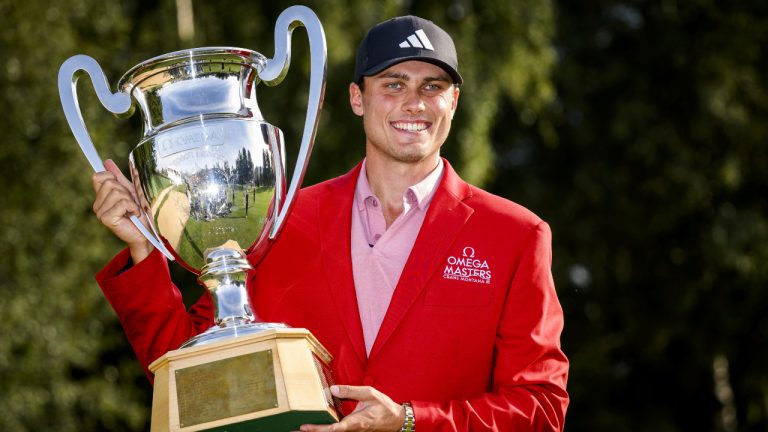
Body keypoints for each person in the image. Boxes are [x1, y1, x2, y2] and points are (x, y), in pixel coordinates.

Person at [92, 15, 569, 432]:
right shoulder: (279, 222)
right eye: (394, 84)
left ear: (454, 102)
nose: (414, 103)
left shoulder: (514, 235)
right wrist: (143, 250)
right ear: (357, 98)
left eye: (432, 87)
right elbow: (188, 374)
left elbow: (542, 407)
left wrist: (409, 421)